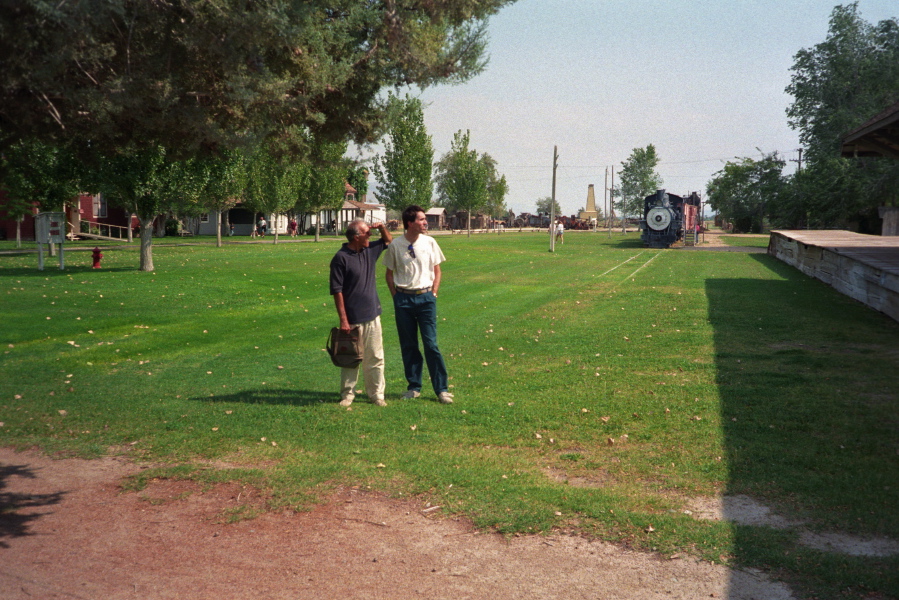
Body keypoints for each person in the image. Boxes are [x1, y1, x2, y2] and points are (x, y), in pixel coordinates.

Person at [383, 205, 453, 404]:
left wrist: (434, 292)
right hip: (403, 300)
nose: (425, 223)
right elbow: (389, 274)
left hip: (426, 299)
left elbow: (437, 270)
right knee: (409, 345)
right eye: (421, 220)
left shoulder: (430, 242)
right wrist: (396, 296)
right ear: (410, 223)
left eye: (425, 219)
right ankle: (414, 387)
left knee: (431, 344)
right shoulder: (396, 245)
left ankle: (441, 389)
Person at [329, 219, 393, 407]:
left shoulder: (369, 250)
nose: (370, 235)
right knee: (350, 358)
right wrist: (343, 320)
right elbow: (337, 290)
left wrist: (381, 227)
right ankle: (348, 395)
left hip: (372, 314)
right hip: (352, 319)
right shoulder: (340, 258)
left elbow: (388, 241)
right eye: (366, 233)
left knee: (376, 357)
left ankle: (376, 395)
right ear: (356, 237)